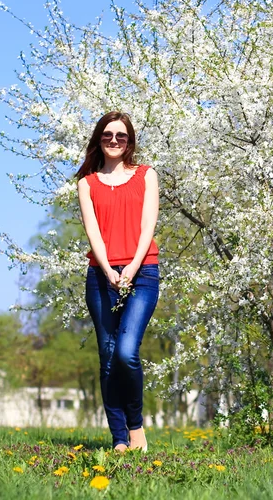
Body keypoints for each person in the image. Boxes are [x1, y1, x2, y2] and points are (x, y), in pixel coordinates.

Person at [76, 111, 159, 452]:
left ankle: (135, 424)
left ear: (129, 142)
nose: (114, 141)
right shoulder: (87, 183)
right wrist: (109, 269)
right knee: (108, 356)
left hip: (143, 273)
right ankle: (119, 438)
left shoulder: (146, 176)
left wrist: (132, 266)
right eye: (108, 135)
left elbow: (147, 226)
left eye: (121, 136)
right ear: (99, 139)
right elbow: (92, 231)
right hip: (101, 275)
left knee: (126, 352)